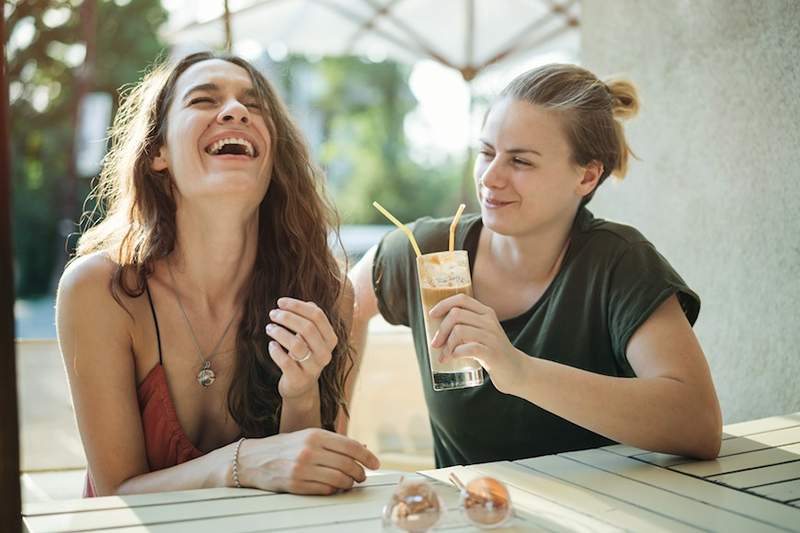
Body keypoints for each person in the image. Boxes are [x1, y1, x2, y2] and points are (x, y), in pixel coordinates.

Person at [350, 64, 722, 468]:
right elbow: (344, 304)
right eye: (487, 153)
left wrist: (519, 371)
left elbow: (698, 423)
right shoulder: (429, 252)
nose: (490, 178)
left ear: (587, 176)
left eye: (521, 161)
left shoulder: (618, 262)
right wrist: (330, 435)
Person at [57, 52, 379, 497]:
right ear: (158, 153)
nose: (235, 111)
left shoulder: (327, 293)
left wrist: (301, 394)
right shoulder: (100, 291)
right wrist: (241, 462)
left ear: (273, 155)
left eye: (254, 104)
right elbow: (116, 495)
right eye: (204, 100)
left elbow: (317, 478)